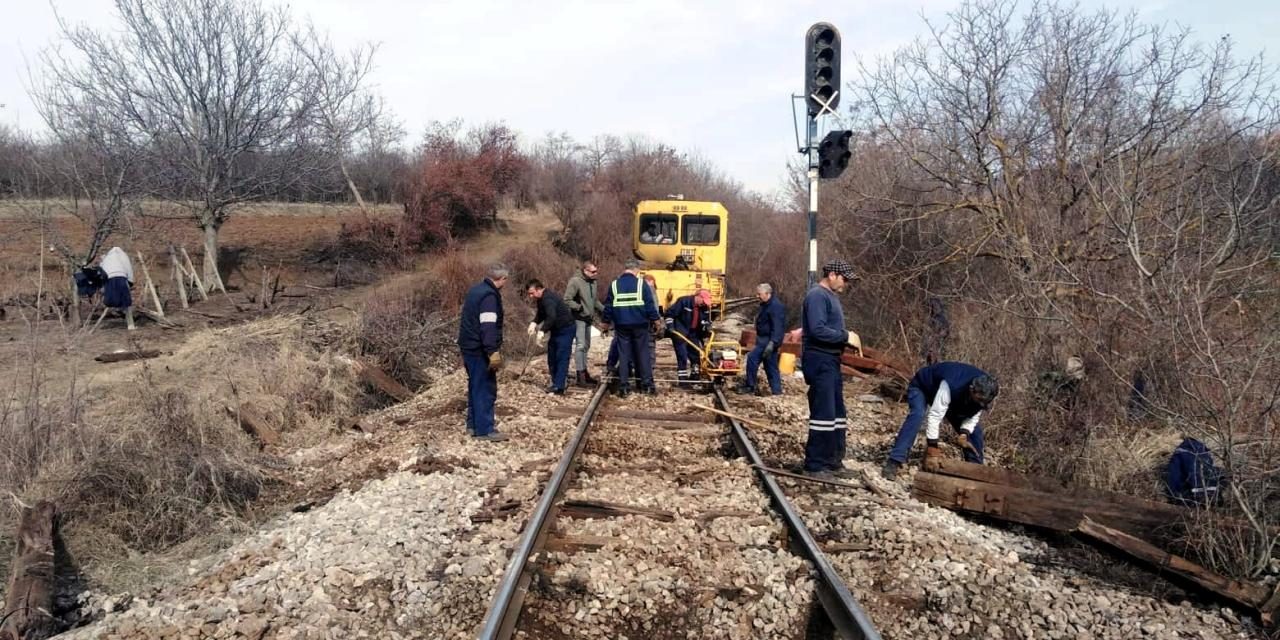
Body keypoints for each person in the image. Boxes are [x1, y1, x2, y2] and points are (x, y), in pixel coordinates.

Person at [881, 362, 1000, 480]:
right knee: (917, 415)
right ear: (972, 389)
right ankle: (894, 462)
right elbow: (935, 415)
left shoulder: (984, 393)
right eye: (979, 400)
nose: (980, 403)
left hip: (953, 400)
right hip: (923, 387)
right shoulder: (951, 385)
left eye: (983, 402)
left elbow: (973, 417)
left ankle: (975, 473)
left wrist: (964, 433)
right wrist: (933, 446)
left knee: (975, 433)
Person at [801, 260, 863, 479]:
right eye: (844, 279)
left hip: (831, 360)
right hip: (819, 360)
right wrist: (845, 336)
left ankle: (833, 461)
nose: (845, 284)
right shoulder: (817, 295)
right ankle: (815, 464)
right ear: (833, 275)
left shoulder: (831, 298)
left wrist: (845, 341)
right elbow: (817, 330)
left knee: (837, 413)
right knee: (823, 413)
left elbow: (827, 328)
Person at [458, 264, 510, 441]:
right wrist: (492, 351)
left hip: (468, 346)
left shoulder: (476, 290)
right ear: (502, 279)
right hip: (479, 348)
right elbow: (487, 326)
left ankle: (472, 425)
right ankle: (484, 429)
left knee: (474, 385)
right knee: (485, 388)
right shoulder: (489, 297)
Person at [602, 259, 660, 397]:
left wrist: (605, 323)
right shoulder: (641, 284)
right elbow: (649, 305)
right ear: (636, 270)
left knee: (624, 355)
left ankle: (624, 387)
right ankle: (647, 385)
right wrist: (656, 320)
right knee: (643, 353)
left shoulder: (614, 285)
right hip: (640, 324)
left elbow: (608, 306)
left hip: (621, 325)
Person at [525, 279, 577, 395]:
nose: (531, 296)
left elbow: (551, 317)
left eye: (532, 293)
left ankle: (559, 386)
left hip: (566, 329)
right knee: (552, 357)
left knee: (561, 356)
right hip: (556, 330)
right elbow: (541, 314)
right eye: (529, 293)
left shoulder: (548, 299)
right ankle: (555, 382)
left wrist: (542, 331)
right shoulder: (541, 299)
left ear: (539, 289)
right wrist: (534, 323)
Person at [736, 283, 785, 396]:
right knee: (770, 365)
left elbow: (777, 326)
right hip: (764, 339)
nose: (757, 296)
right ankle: (776, 391)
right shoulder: (766, 304)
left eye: (759, 294)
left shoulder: (775, 307)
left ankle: (750, 386)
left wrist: (772, 343)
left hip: (768, 340)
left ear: (767, 294)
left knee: (752, 359)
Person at [564, 261, 605, 387]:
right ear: (585, 271)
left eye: (596, 271)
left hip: (588, 318)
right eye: (593, 272)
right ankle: (580, 375)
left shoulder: (593, 282)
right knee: (580, 346)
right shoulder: (575, 281)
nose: (595, 274)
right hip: (578, 318)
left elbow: (594, 300)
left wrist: (605, 310)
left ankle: (584, 372)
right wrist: (579, 308)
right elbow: (567, 299)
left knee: (586, 346)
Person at [664, 289, 712, 387]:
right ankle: (683, 380)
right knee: (682, 355)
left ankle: (695, 375)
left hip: (693, 333)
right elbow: (669, 314)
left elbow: (706, 320)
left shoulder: (704, 307)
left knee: (695, 353)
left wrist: (706, 327)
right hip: (680, 331)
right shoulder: (683, 301)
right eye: (703, 301)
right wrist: (670, 326)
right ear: (698, 297)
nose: (704, 303)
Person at [99, 246, 136, 330]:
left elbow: (102, 270)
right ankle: (130, 324)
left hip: (108, 278)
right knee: (126, 300)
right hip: (121, 276)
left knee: (110, 299)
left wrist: (102, 284)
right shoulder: (123, 255)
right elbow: (128, 267)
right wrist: (130, 281)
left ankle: (116, 310)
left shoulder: (106, 258)